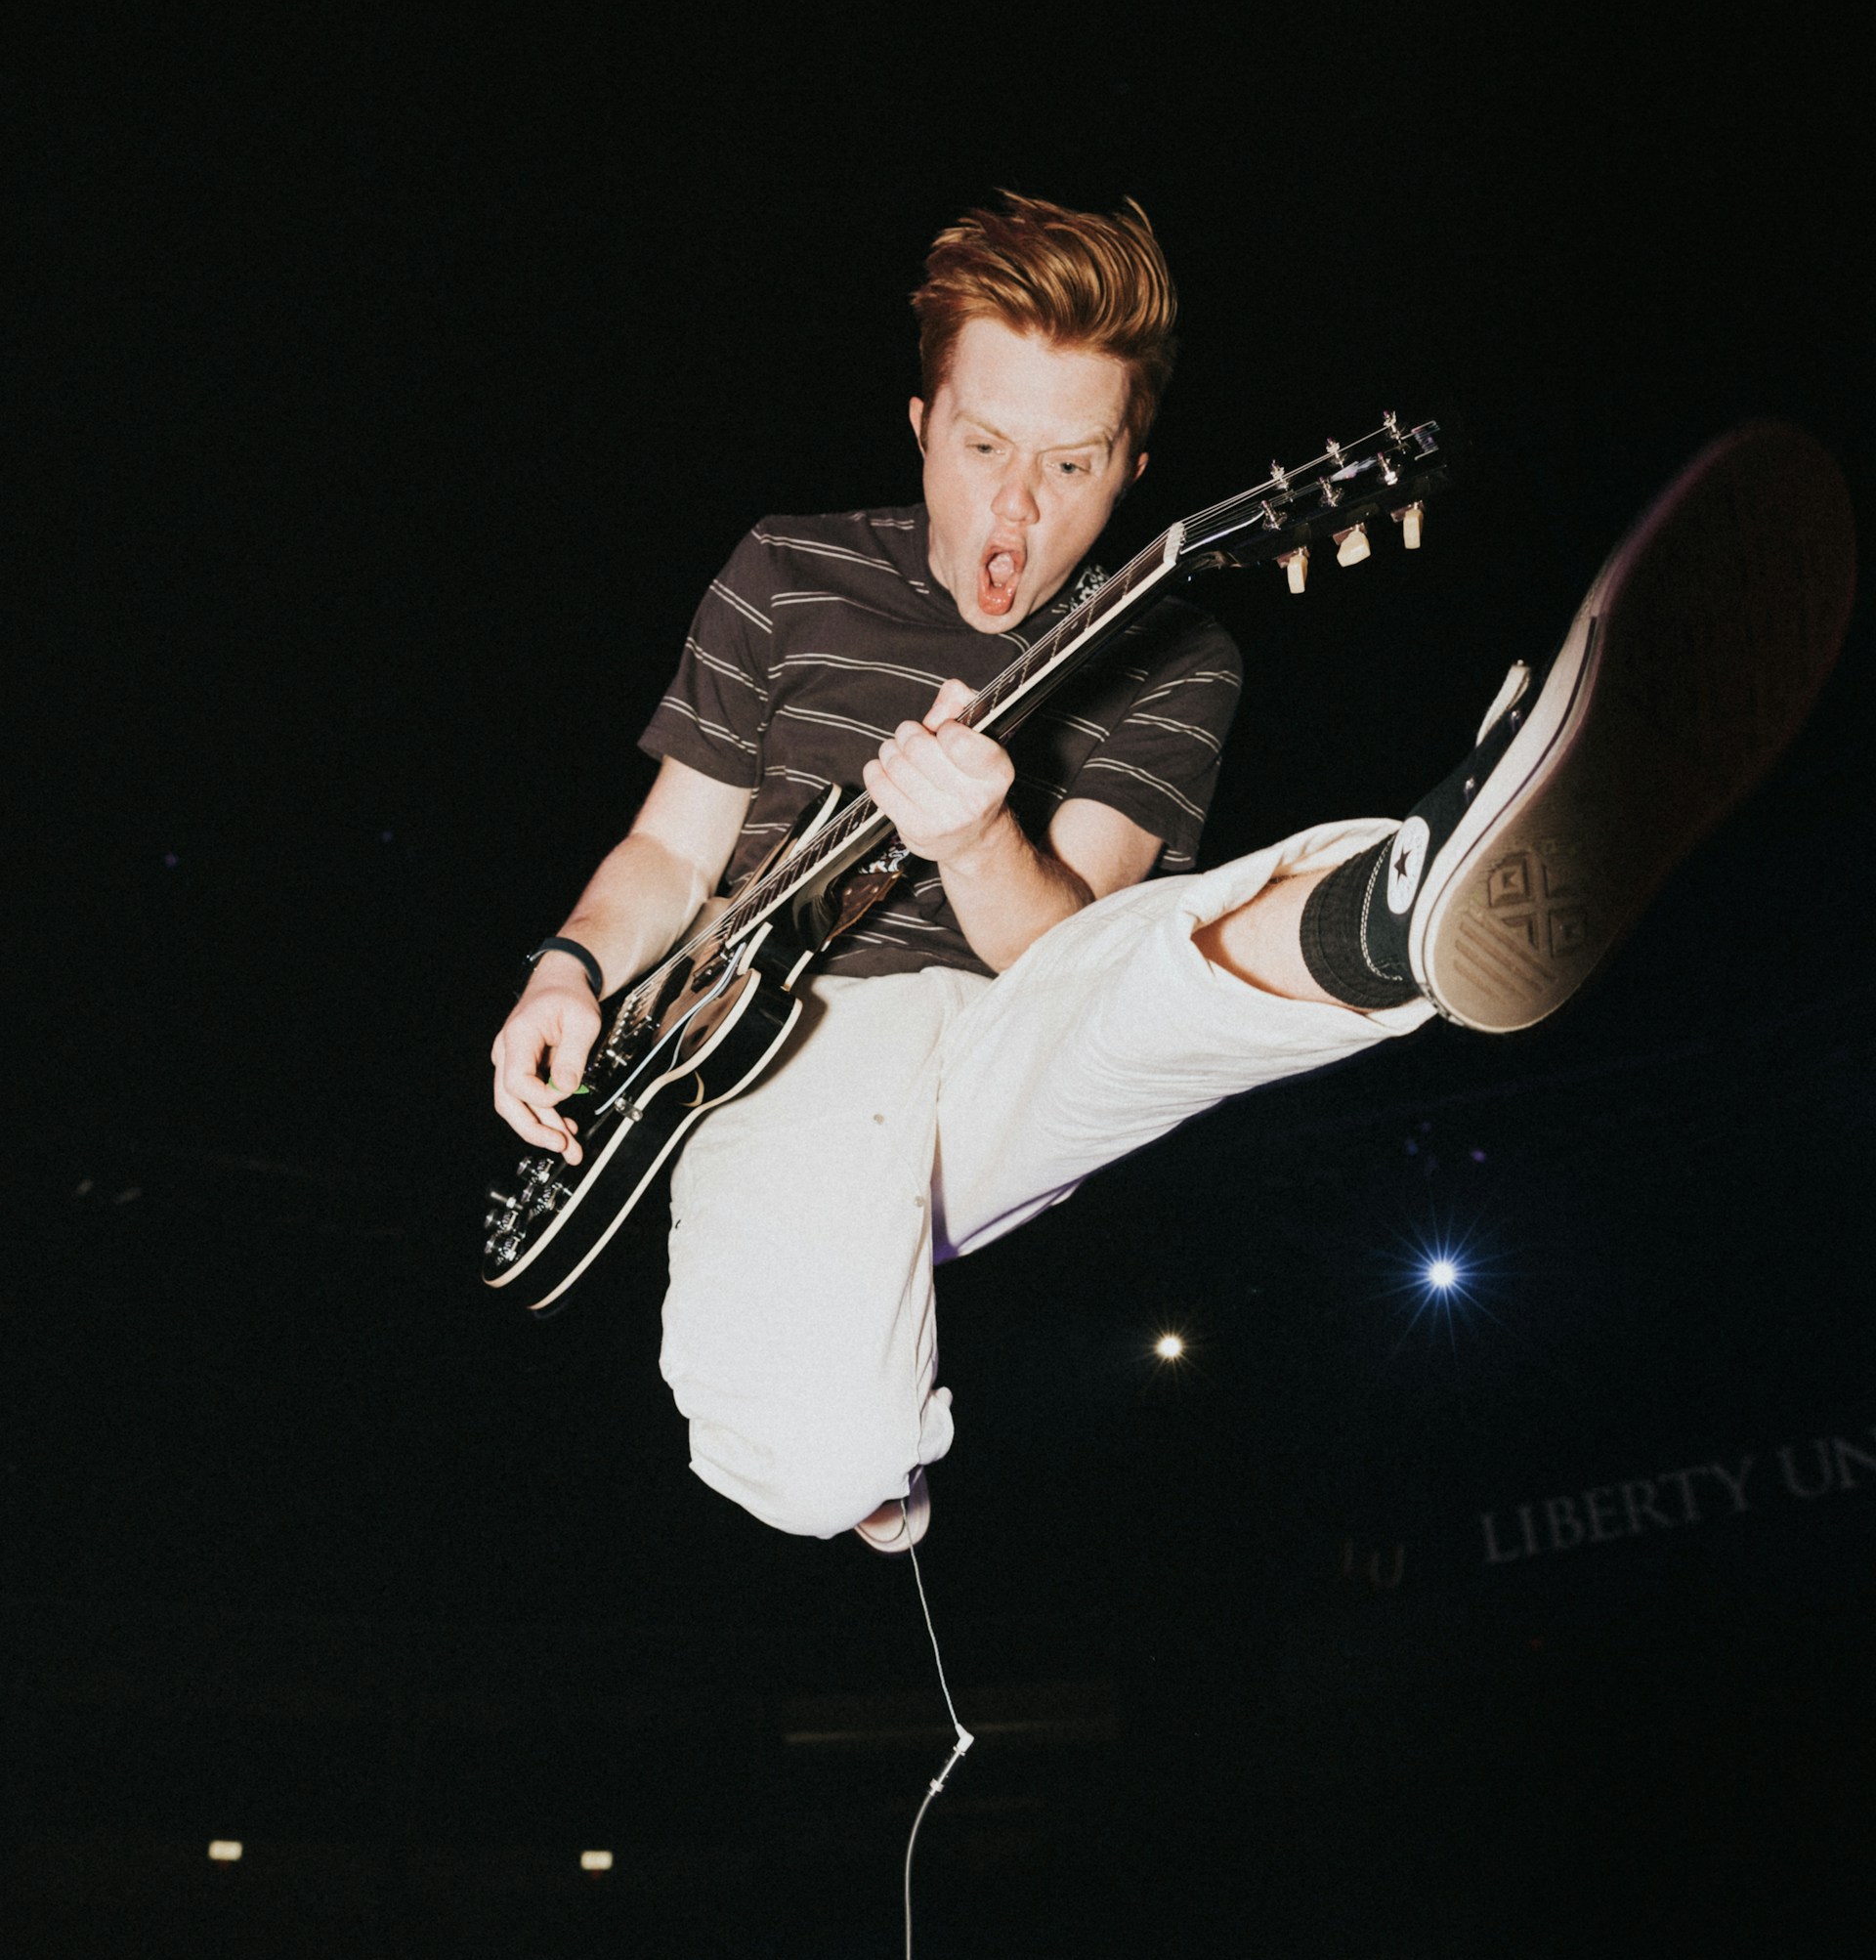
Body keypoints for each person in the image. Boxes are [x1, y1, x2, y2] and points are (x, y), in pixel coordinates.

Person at [490, 193, 1854, 1552]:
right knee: (810, 1475)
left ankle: (1394, 901)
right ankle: (874, 1448)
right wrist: (571, 969)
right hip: (755, 1052)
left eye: (1073, 468)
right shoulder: (783, 572)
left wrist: (975, 838)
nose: (1015, 506)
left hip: (1000, 1035)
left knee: (1137, 983)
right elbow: (672, 847)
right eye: (981, 446)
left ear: (1136, 473)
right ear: (921, 427)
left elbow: (1063, 950)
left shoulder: (1176, 656)